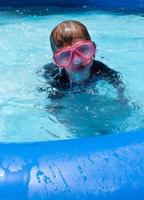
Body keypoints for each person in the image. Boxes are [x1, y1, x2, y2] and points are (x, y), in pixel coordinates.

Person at [41, 20, 125, 100]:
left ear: (93, 50)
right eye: (66, 55)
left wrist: (121, 97)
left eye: (82, 50)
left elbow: (117, 82)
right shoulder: (59, 81)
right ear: (58, 62)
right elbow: (53, 105)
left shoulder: (99, 69)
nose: (76, 60)